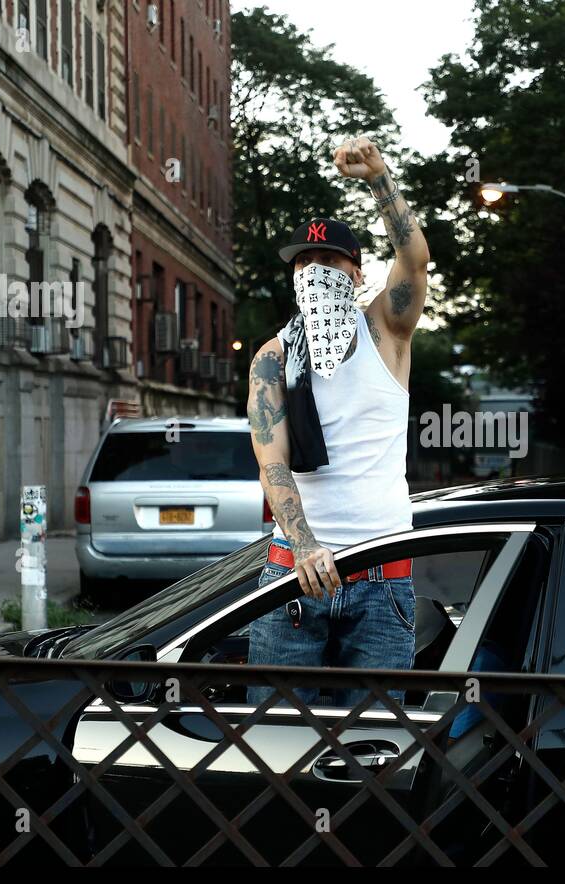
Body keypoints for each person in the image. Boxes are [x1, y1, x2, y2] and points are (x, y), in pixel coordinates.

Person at [245, 135, 429, 709]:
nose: (315, 270)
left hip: (383, 577)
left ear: (355, 272)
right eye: (304, 261)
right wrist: (304, 546)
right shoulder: (273, 357)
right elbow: (271, 463)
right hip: (292, 578)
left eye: (329, 261)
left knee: (375, 750)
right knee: (275, 748)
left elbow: (415, 257)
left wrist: (378, 178)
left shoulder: (386, 332)